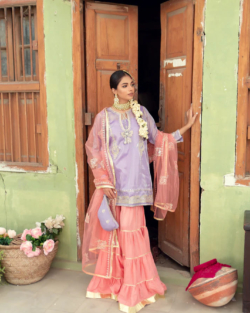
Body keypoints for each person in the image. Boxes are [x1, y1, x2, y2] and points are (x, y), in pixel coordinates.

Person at [82, 70, 197, 313]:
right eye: (125, 85)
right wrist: (102, 181)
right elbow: (93, 149)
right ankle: (114, 283)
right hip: (113, 187)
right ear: (114, 90)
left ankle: (134, 287)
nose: (131, 89)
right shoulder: (104, 118)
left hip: (136, 185)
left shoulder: (141, 113)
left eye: (132, 84)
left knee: (132, 233)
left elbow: (159, 140)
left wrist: (186, 126)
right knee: (115, 234)